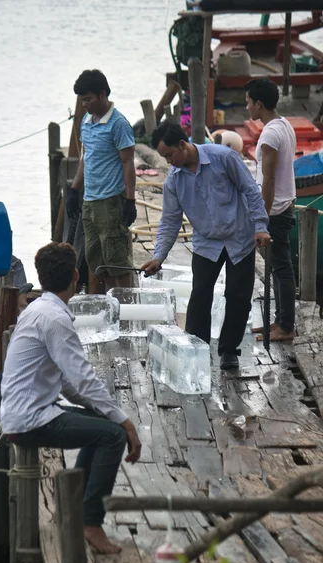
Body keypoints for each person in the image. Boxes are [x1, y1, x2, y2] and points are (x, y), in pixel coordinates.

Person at [0, 242, 141, 553]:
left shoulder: (39, 309)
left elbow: (66, 383)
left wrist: (108, 413)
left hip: (29, 410)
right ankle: (90, 523)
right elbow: (84, 380)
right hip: (29, 420)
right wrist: (125, 421)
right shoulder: (54, 318)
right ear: (77, 275)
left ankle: (77, 511)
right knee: (112, 437)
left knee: (105, 428)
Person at [141, 122, 271, 370]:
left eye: (169, 155)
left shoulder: (224, 157)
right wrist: (159, 256)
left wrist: (260, 226)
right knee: (200, 294)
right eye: (164, 157)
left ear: (182, 145)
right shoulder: (174, 181)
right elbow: (170, 220)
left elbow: (250, 191)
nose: (168, 162)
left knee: (238, 295)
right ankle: (194, 347)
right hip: (206, 242)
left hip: (239, 237)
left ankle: (228, 351)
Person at [66, 69, 136, 293]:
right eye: (81, 100)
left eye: (88, 99)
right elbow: (87, 158)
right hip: (90, 201)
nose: (84, 104)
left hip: (110, 202)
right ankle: (105, 309)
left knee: (117, 262)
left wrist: (130, 199)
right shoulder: (86, 122)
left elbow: (128, 163)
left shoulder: (118, 124)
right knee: (95, 261)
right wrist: (74, 190)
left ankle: (125, 313)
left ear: (102, 94)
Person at [245, 78, 297, 342]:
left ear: (259, 104)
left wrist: (262, 219)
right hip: (284, 205)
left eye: (248, 102)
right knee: (278, 267)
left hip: (275, 210)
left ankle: (286, 326)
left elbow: (270, 180)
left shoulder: (269, 134)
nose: (247, 108)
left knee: (282, 268)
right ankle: (278, 322)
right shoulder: (284, 125)